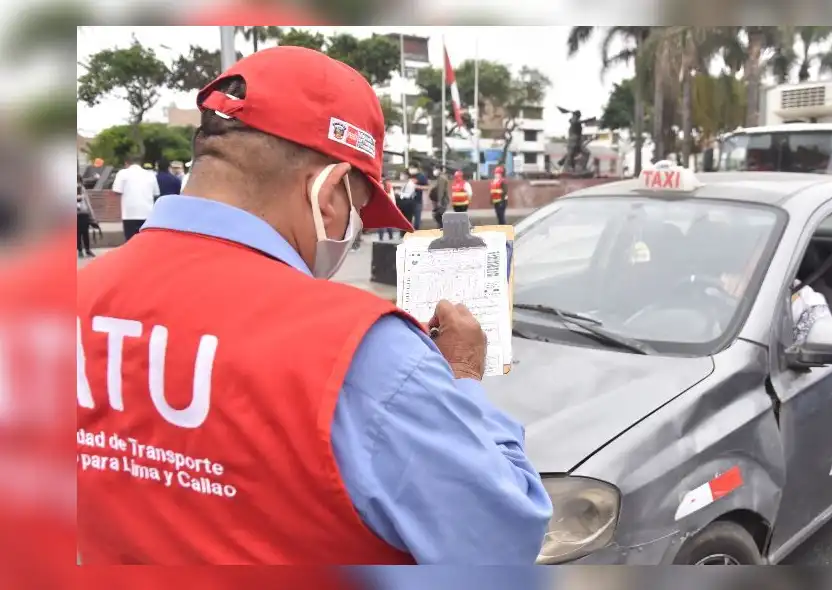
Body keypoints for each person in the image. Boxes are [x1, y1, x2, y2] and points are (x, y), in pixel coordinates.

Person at [77, 45, 550, 565]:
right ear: (328, 194)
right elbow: (502, 543)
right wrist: (460, 376)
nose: (352, 231)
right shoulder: (368, 354)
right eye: (359, 210)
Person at [112, 155, 159, 241]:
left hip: (129, 213)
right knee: (145, 240)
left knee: (130, 240)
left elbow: (116, 190)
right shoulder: (150, 174)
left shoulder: (122, 173)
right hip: (147, 212)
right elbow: (156, 193)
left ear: (126, 163)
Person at [76, 175, 99, 257]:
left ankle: (86, 250)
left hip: (84, 213)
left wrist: (92, 215)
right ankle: (80, 250)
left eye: (79, 181)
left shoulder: (83, 189)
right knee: (78, 233)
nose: (78, 184)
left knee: (84, 233)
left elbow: (87, 202)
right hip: (77, 214)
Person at [408, 165, 429, 230]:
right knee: (407, 219)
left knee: (417, 221)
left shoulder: (421, 177)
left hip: (417, 201)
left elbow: (427, 187)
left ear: (416, 168)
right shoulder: (408, 176)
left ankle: (416, 231)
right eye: (410, 168)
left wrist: (416, 186)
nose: (410, 169)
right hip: (407, 202)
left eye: (412, 168)